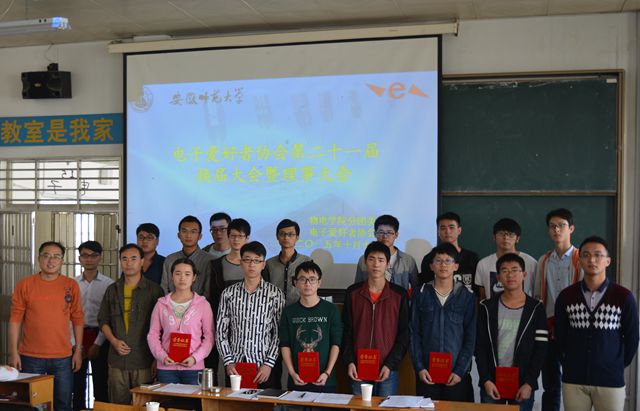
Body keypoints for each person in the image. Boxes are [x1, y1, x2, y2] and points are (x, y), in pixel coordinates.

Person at [554, 236, 639, 411]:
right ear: (578, 261)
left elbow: (632, 338)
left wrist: (615, 365)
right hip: (574, 379)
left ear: (608, 261)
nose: (592, 260)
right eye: (585, 255)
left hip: (610, 380)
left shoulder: (623, 296)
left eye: (598, 255)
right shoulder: (566, 296)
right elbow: (560, 336)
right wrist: (570, 362)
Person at [9, 241, 84, 411]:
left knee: (63, 404)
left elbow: (78, 318)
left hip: (63, 357)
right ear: (39, 258)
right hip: (30, 356)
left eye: (56, 256)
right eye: (46, 256)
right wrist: (14, 352)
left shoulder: (71, 285)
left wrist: (78, 351)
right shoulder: (25, 284)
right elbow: (15, 320)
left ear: (62, 261)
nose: (51, 260)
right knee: (33, 405)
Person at [476, 253, 548, 411]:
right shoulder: (487, 307)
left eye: (515, 270)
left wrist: (529, 383)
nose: (510, 275)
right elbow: (479, 347)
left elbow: (541, 349)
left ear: (524, 275)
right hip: (492, 383)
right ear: (498, 277)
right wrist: (486, 380)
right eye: (505, 271)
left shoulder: (536, 308)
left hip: (523, 384)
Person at [98, 243, 164, 404]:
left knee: (143, 404)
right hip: (117, 360)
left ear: (142, 261)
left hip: (144, 359)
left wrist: (157, 358)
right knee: (118, 405)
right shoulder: (112, 290)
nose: (129, 263)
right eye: (124, 259)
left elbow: (162, 328)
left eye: (133, 258)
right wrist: (113, 341)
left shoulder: (154, 290)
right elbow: (103, 320)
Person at [410, 243, 476, 402]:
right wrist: (420, 368)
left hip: (456, 375)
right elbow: (413, 334)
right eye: (438, 261)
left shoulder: (467, 296)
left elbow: (471, 338)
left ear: (456, 266)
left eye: (448, 261)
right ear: (431, 266)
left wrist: (460, 371)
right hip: (427, 374)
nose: (443, 265)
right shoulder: (420, 294)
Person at [343, 241, 409, 396]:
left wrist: (390, 364)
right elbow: (346, 331)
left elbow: (404, 333)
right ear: (365, 262)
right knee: (359, 406)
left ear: (388, 264)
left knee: (385, 406)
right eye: (371, 259)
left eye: (381, 260)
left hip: (387, 369)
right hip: (358, 367)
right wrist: (350, 361)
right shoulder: (353, 293)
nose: (376, 264)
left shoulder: (399, 294)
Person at [533, 208, 582, 411]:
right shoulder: (544, 261)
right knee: (551, 384)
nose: (556, 230)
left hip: (575, 329)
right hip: (550, 328)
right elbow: (538, 295)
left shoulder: (581, 258)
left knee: (575, 383)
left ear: (571, 228)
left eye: (561, 225)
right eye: (552, 226)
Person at [217, 241, 285, 389]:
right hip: (235, 366)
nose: (252, 265)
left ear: (263, 264)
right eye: (247, 260)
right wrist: (228, 361)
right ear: (241, 262)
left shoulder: (275, 294)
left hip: (264, 367)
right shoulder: (228, 293)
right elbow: (221, 331)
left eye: (256, 261)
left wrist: (269, 364)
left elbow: (279, 333)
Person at [148, 258, 214, 384]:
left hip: (194, 368)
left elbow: (209, 337)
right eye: (178, 273)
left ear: (194, 277)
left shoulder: (203, 304)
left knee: (193, 398)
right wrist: (162, 356)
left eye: (187, 274)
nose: (182, 278)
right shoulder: (161, 304)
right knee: (166, 397)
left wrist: (195, 358)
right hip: (166, 367)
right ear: (172, 276)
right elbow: (153, 335)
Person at [279, 261, 342, 392]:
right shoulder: (288, 312)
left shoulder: (331, 310)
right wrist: (292, 373)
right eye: (302, 279)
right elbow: (285, 345)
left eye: (312, 279)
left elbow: (336, 344)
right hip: (297, 380)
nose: (307, 284)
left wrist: (327, 373)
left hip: (325, 380)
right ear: (295, 282)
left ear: (319, 282)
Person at [72, 241, 114, 411]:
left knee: (101, 382)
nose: (89, 259)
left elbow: (108, 317)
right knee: (77, 383)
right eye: (85, 255)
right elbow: (68, 316)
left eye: (93, 255)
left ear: (100, 258)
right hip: (77, 335)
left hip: (100, 335)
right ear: (79, 258)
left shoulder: (109, 284)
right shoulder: (72, 284)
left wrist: (98, 343)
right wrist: (74, 343)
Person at [475, 218, 537, 300]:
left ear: (517, 239)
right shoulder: (483, 264)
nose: (506, 237)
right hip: (493, 308)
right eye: (501, 233)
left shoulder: (531, 263)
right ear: (494, 237)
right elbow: (482, 297)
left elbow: (537, 293)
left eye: (510, 234)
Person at [353, 214, 418, 292]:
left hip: (400, 299)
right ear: (375, 234)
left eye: (389, 233)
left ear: (396, 235)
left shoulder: (408, 260)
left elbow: (416, 289)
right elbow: (357, 287)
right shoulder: (364, 259)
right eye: (381, 232)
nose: (385, 236)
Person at [420, 212, 479, 295]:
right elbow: (425, 290)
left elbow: (477, 291)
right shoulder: (429, 258)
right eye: (443, 228)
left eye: (451, 227)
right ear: (438, 232)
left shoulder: (471, 258)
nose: (447, 231)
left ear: (459, 230)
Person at [161, 215, 214, 298]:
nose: (188, 235)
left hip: (201, 305)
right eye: (184, 231)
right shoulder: (170, 259)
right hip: (171, 304)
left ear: (200, 236)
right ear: (178, 235)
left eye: (193, 232)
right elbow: (164, 288)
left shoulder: (210, 260)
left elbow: (208, 292)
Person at [266, 219, 312, 306]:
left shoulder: (307, 261)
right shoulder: (269, 264)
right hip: (274, 310)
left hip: (299, 309)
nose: (286, 237)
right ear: (277, 237)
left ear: (297, 237)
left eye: (290, 234)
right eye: (282, 234)